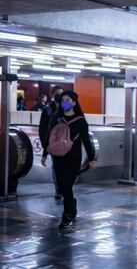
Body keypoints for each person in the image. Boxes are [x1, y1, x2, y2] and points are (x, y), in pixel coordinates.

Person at [41, 90, 96, 229]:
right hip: (58, 158)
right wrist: (44, 154)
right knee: (62, 187)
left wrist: (91, 159)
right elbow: (49, 136)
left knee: (66, 185)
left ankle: (67, 215)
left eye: (68, 100)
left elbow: (86, 141)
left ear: (74, 103)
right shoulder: (56, 118)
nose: (65, 103)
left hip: (73, 158)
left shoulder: (81, 121)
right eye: (63, 100)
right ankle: (72, 203)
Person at [39, 86, 64, 200]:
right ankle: (58, 189)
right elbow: (43, 129)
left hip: (66, 143)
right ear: (53, 95)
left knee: (66, 167)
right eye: (58, 94)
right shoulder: (47, 110)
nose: (60, 96)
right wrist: (45, 148)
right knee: (57, 166)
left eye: (62, 94)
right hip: (54, 144)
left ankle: (64, 187)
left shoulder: (67, 108)